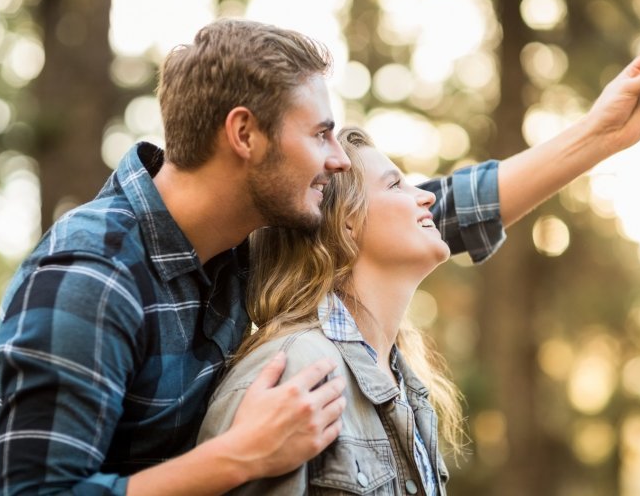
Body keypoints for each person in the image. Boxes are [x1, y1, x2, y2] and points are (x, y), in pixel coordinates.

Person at [0, 14, 640, 494]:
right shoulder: (90, 275)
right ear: (245, 134)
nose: (336, 160)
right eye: (321, 134)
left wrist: (601, 134)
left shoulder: (238, 243)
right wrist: (234, 458)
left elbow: (424, 215)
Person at [198, 126, 467, 495]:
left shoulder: (405, 382)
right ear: (346, 221)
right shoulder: (292, 370)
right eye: (395, 185)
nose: (426, 197)